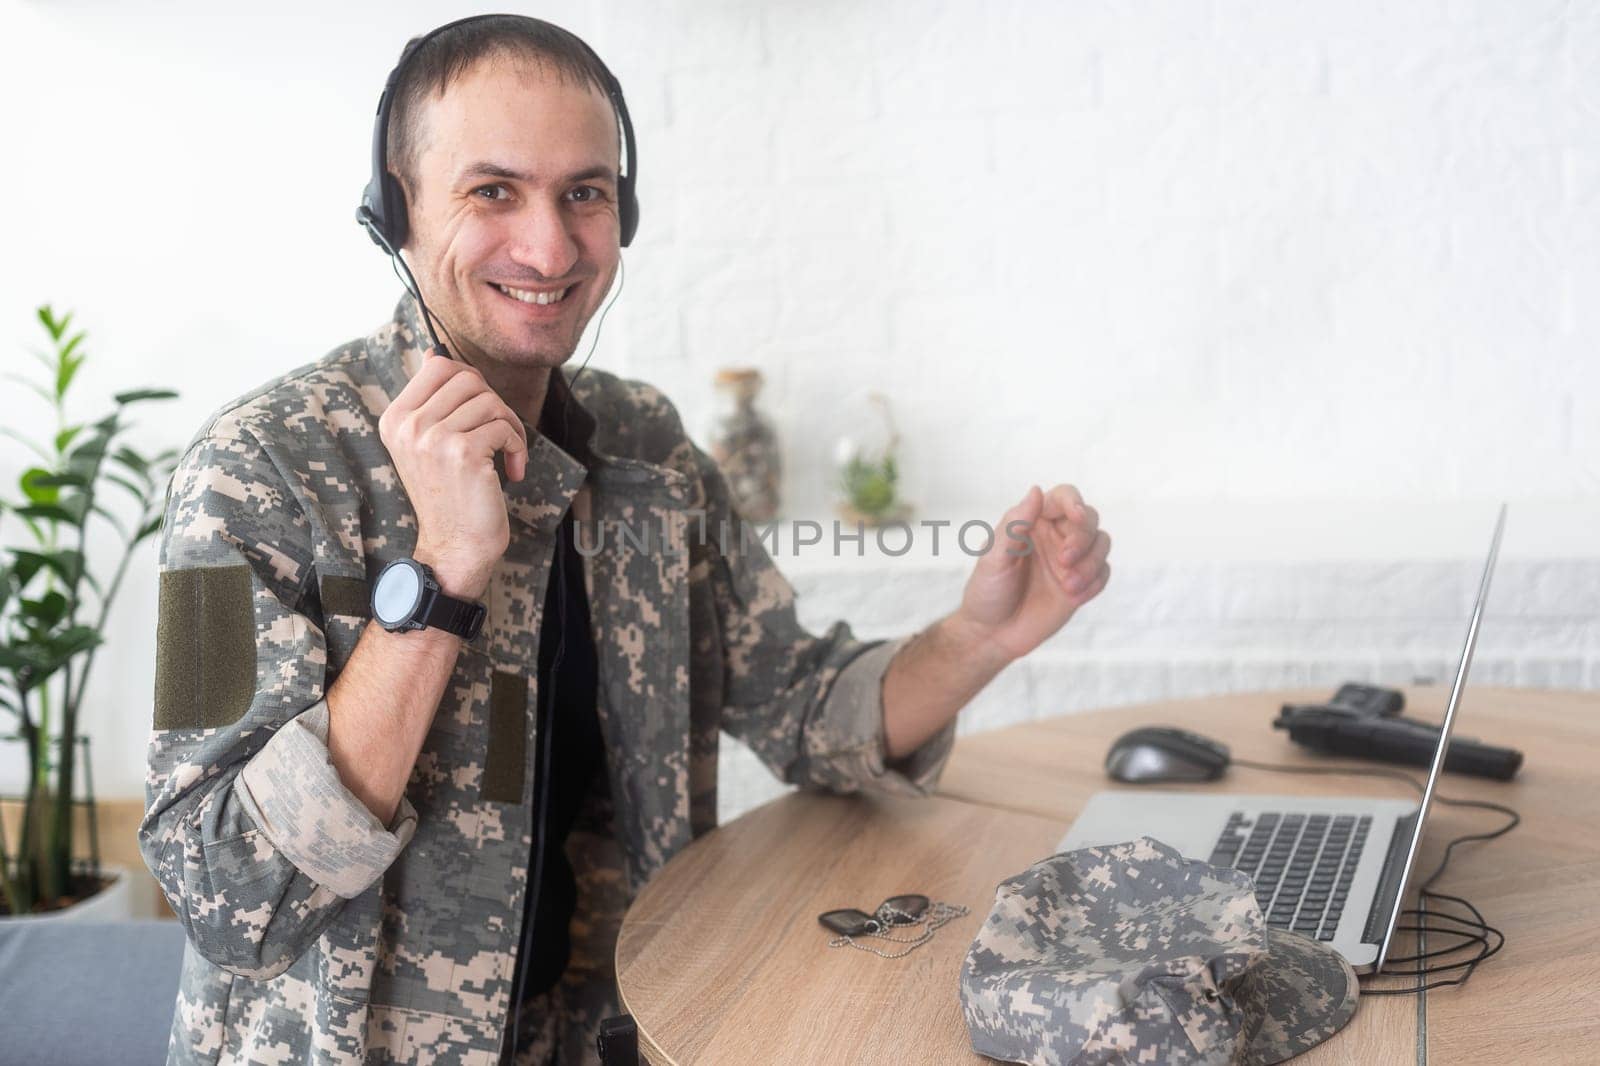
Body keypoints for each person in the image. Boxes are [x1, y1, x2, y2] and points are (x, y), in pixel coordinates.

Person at [139, 15, 1111, 1066]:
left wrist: (980, 638)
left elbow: (802, 703)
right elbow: (223, 891)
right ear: (396, 208)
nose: (550, 248)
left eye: (585, 193)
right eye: (492, 190)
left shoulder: (645, 446)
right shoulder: (251, 467)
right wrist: (440, 578)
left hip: (611, 1035)